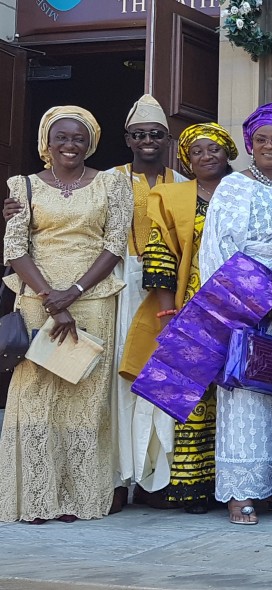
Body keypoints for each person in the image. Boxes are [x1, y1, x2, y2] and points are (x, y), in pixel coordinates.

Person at [0, 106, 133, 523]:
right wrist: (49, 298)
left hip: (93, 299)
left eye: (78, 138)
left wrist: (72, 294)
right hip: (37, 298)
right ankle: (37, 499)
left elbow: (114, 245)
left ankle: (77, 499)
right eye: (62, 137)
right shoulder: (22, 186)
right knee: (35, 395)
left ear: (90, 141)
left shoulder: (112, 184)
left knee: (84, 398)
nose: (70, 145)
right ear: (47, 142)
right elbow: (15, 246)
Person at [198, 102, 272, 525]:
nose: (269, 146)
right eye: (262, 139)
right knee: (245, 394)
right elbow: (215, 250)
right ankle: (241, 491)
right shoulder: (233, 187)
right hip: (244, 309)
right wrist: (246, 303)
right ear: (249, 143)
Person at [118, 122, 238, 514]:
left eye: (213, 149)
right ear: (186, 159)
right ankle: (195, 487)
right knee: (194, 400)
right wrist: (170, 311)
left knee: (240, 395)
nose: (206, 157)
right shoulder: (170, 196)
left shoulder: (245, 191)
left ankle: (240, 484)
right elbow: (159, 253)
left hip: (241, 306)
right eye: (197, 151)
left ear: (228, 153)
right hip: (191, 309)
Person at [111, 95, 189, 509]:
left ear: (167, 139)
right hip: (121, 286)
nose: (147, 141)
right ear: (127, 139)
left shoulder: (182, 185)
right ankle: (121, 476)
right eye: (139, 134)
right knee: (124, 378)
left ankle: (159, 479)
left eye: (156, 135)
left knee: (162, 378)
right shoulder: (108, 180)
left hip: (169, 290)